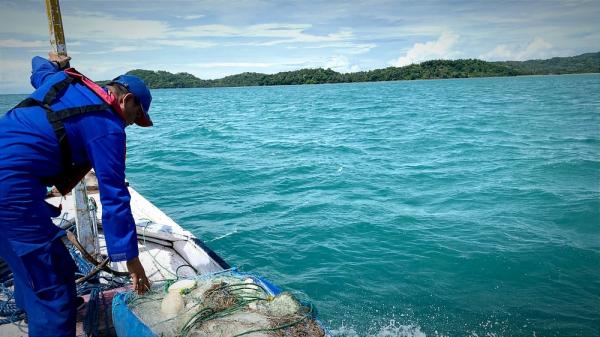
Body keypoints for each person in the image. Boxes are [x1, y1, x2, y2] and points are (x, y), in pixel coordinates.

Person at [0, 54, 152, 337]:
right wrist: (131, 260)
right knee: (52, 288)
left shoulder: (62, 81)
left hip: (15, 184)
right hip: (9, 189)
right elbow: (114, 196)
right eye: (136, 116)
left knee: (52, 262)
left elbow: (38, 67)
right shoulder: (108, 126)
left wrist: (56, 63)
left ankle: (37, 309)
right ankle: (49, 318)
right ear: (126, 99)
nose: (131, 124)